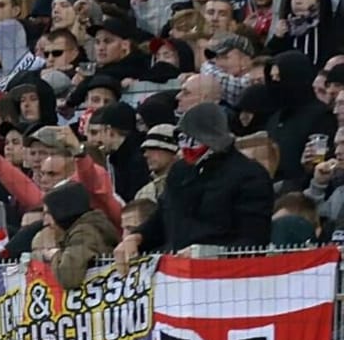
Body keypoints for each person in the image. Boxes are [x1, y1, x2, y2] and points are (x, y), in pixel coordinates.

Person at [113, 102, 276, 258]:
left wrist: (209, 254)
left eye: (193, 140)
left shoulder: (250, 175)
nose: (185, 147)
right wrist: (137, 237)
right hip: (177, 272)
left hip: (225, 277)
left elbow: (254, 240)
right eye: (182, 139)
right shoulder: (179, 171)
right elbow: (163, 216)